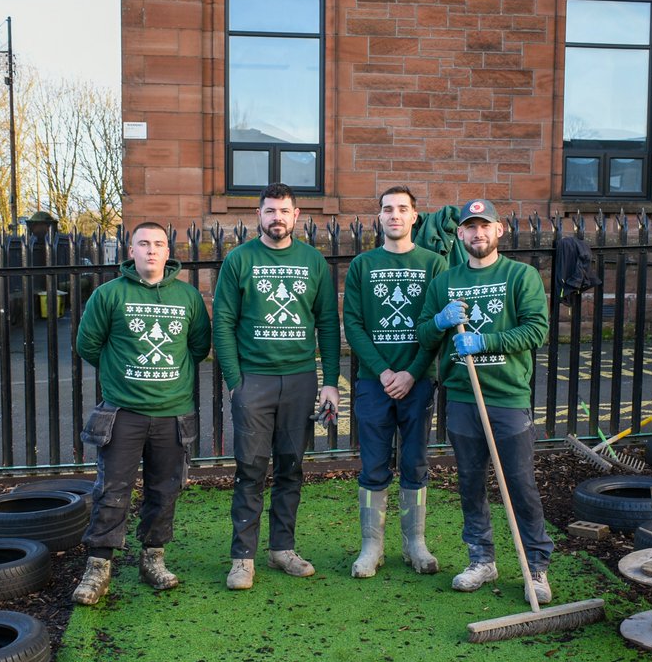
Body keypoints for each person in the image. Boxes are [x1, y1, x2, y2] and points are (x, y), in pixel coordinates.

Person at [417, 199, 555, 603]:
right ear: (459, 234)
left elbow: (536, 330)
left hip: (508, 398)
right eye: (469, 227)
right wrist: (440, 321)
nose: (477, 233)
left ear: (499, 231)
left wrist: (486, 341)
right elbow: (425, 334)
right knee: (470, 483)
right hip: (462, 397)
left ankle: (536, 567)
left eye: (485, 226)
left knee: (519, 485)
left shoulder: (520, 275)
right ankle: (482, 559)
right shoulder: (445, 280)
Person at [71, 221, 211, 605]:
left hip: (173, 413)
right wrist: (124, 377)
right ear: (130, 251)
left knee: (164, 491)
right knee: (112, 491)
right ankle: (98, 567)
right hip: (124, 412)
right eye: (143, 244)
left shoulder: (188, 297)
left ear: (169, 253)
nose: (151, 250)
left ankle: (153, 558)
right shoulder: (108, 294)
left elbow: (198, 347)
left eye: (159, 244)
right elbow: (89, 345)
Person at [212, 182, 341, 590]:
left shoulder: (313, 262)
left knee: (291, 466)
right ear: (259, 215)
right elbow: (223, 324)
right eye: (270, 211)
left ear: (297, 215)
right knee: (250, 467)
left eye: (284, 211)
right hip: (255, 381)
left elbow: (327, 325)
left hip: (301, 379)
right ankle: (242, 557)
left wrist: (330, 382)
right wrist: (235, 382)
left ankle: (282, 548)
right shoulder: (239, 260)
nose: (277, 218)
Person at [344, 185, 448, 578]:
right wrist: (385, 371)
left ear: (414, 216)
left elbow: (437, 328)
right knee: (373, 464)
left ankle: (414, 543)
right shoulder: (363, 265)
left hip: (418, 380)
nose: (394, 215)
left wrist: (412, 372)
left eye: (402, 209)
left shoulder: (434, 264)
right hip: (375, 381)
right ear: (380, 217)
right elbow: (352, 324)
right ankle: (372, 546)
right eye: (387, 209)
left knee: (416, 461)